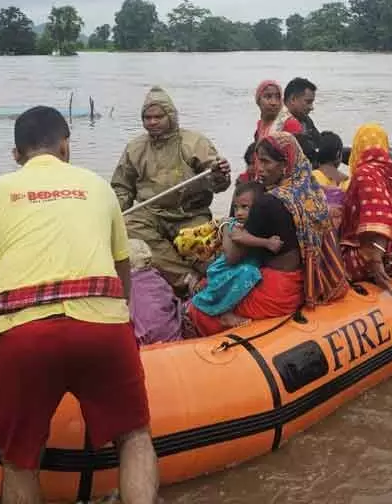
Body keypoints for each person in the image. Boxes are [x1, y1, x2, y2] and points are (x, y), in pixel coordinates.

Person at [0, 106, 158, 504]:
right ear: (66, 147)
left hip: (22, 337)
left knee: (20, 463)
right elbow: (122, 283)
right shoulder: (99, 188)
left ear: (15, 155)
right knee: (134, 438)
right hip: (103, 330)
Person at [187, 132, 348, 336]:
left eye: (266, 162)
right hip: (304, 281)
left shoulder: (268, 202)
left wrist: (225, 225)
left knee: (198, 310)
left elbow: (233, 256)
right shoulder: (311, 193)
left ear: (285, 164)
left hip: (276, 291)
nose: (259, 169)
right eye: (257, 161)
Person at [111, 86, 231, 298]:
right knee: (126, 227)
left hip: (190, 213)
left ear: (171, 116)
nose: (152, 122)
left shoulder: (194, 142)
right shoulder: (135, 148)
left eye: (158, 116)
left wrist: (220, 174)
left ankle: (209, 280)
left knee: (204, 249)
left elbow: (216, 180)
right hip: (151, 213)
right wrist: (108, 215)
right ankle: (185, 278)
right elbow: (121, 188)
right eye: (147, 117)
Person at [185, 181, 266, 326]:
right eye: (236, 207)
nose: (239, 212)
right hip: (224, 270)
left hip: (235, 269)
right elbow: (230, 258)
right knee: (249, 272)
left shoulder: (257, 225)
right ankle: (225, 314)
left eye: (245, 207)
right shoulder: (234, 226)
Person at [341, 124, 392, 289]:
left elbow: (379, 216)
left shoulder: (364, 174)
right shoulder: (390, 172)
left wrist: (375, 261)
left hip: (367, 259)